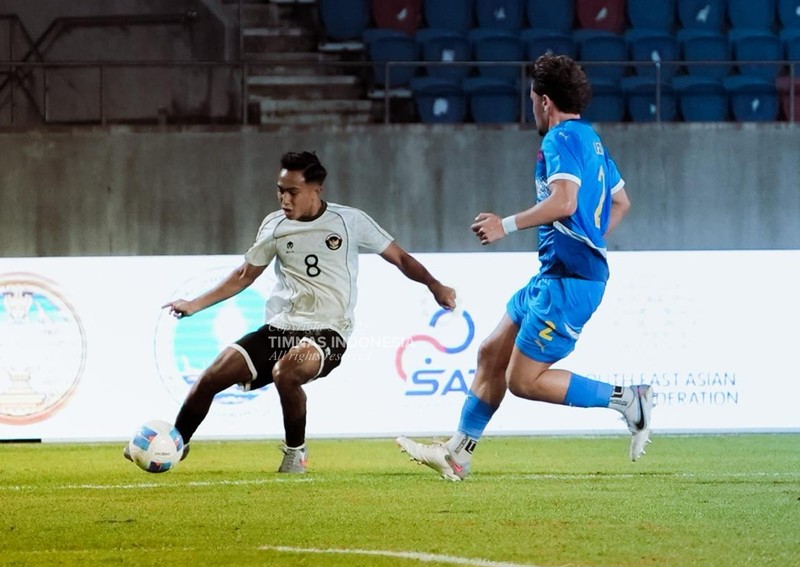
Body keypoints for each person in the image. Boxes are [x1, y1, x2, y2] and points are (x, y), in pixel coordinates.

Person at [396, 54, 653, 481]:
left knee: (524, 380)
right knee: (490, 354)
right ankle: (458, 454)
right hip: (554, 275)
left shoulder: (560, 140)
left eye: (532, 99)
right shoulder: (591, 140)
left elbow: (565, 201)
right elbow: (621, 202)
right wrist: (587, 236)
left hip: (570, 283)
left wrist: (506, 225)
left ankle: (629, 399)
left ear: (545, 101)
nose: (531, 106)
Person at [126, 151, 456, 473]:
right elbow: (245, 275)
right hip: (281, 327)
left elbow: (400, 258)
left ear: (316, 190)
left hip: (329, 330)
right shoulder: (274, 225)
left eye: (292, 192)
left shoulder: (349, 221)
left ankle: (296, 454)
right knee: (209, 379)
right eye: (280, 190)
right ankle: (174, 446)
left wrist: (434, 284)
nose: (284, 199)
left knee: (287, 373)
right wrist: (195, 304)